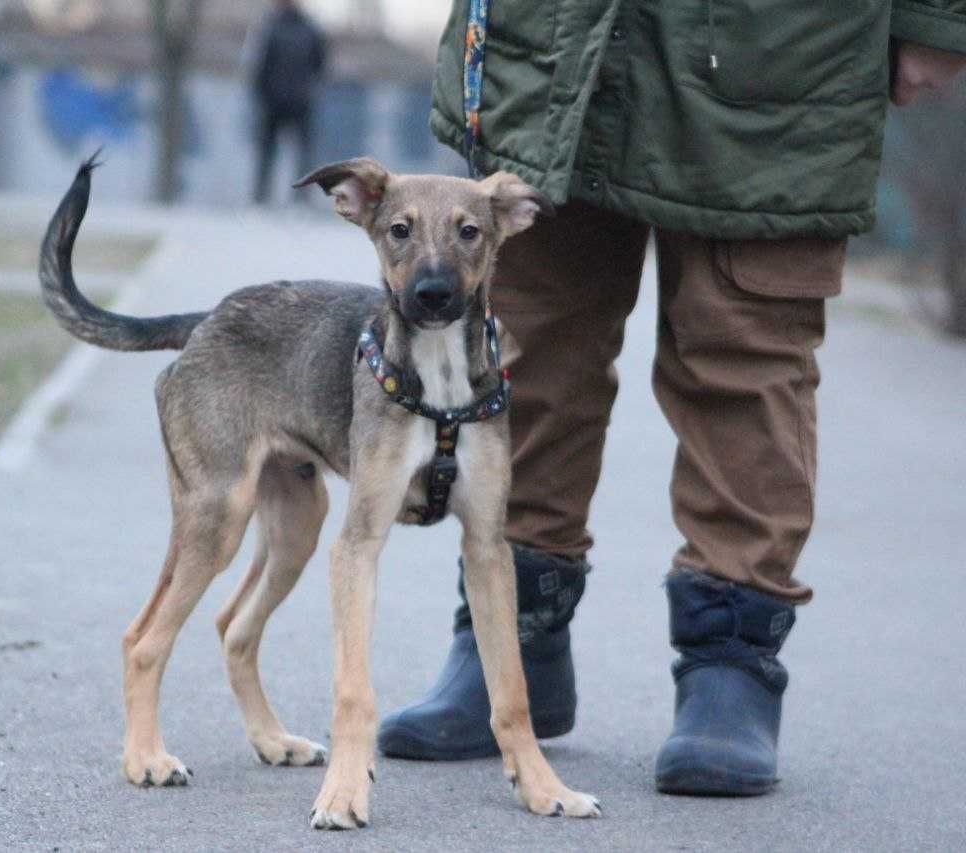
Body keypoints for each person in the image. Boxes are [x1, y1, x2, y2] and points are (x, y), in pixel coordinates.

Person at [377, 1, 966, 795]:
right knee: (530, 341)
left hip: (785, 44)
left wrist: (938, 15)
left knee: (746, 348)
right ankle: (510, 642)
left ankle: (732, 661)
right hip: (552, 42)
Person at [248, 0, 327, 205]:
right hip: (296, 100)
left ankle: (264, 197)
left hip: (279, 100)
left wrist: (262, 94)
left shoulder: (269, 28)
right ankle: (295, 198)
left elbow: (258, 67)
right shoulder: (310, 29)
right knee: (298, 152)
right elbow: (320, 64)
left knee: (271, 152)